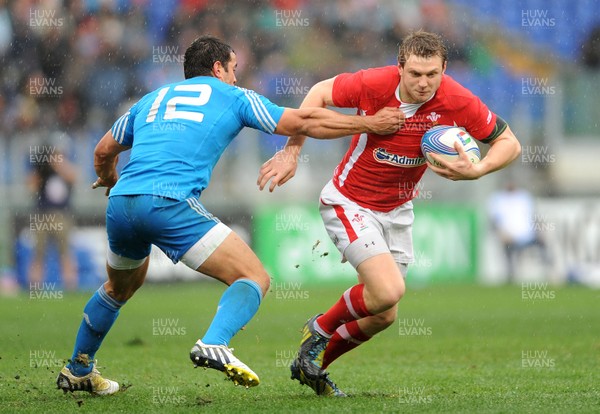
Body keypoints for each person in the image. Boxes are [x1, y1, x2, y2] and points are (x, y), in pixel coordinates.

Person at [56, 35, 403, 396]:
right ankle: (214, 342)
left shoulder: (152, 99)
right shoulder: (234, 97)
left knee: (118, 289)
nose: (237, 77)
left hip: (122, 202)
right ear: (218, 68)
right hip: (168, 202)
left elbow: (102, 150)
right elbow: (304, 121)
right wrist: (369, 124)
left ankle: (79, 368)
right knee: (254, 277)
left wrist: (111, 178)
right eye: (234, 69)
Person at [258, 30, 521, 396]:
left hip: (397, 210)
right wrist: (293, 149)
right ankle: (317, 329)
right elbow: (319, 92)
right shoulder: (373, 84)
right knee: (388, 290)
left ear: (445, 68)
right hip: (348, 201)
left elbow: (509, 142)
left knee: (384, 313)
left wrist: (479, 169)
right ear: (400, 68)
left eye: (433, 74)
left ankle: (312, 365)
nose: (424, 83)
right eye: (415, 74)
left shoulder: (458, 100)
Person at [28, 133, 78, 291]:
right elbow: (31, 186)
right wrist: (43, 170)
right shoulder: (43, 169)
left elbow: (74, 177)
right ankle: (35, 286)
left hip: (61, 215)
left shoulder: (65, 167)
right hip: (43, 214)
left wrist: (58, 165)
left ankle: (70, 284)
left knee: (65, 252)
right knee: (39, 252)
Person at [488, 181, 549, 282]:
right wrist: (501, 233)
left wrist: (540, 230)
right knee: (507, 249)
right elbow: (494, 221)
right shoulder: (498, 199)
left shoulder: (524, 197)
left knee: (543, 245)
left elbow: (534, 216)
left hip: (528, 235)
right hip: (509, 237)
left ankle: (549, 273)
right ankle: (510, 277)